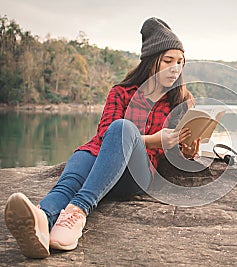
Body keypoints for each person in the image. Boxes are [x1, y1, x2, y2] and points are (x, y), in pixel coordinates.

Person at [4, 17, 200, 259]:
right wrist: (154, 138)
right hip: (95, 157)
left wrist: (187, 151)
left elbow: (170, 149)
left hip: (135, 175)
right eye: (168, 61)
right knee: (70, 181)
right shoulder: (121, 92)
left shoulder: (180, 101)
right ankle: (41, 222)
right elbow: (106, 133)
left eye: (180, 62)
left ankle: (77, 213)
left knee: (123, 128)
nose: (175, 69)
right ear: (151, 63)